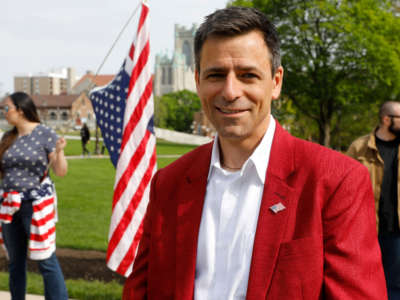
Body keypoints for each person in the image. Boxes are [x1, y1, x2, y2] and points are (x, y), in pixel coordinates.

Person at [123, 7, 387, 299]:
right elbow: (140, 291)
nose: (231, 91)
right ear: (197, 81)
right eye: (216, 75)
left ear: (275, 82)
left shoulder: (335, 181)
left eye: (248, 75)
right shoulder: (168, 184)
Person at [0, 92, 68, 300]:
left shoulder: (45, 134)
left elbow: (61, 171)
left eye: (6, 108)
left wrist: (59, 152)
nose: (3, 112)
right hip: (9, 204)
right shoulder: (7, 137)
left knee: (45, 258)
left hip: (35, 205)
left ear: (20, 109)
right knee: (15, 262)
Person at [347, 101, 400, 299]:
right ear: (387, 120)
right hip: (366, 230)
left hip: (397, 231)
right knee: (365, 282)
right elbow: (345, 188)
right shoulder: (359, 148)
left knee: (395, 285)